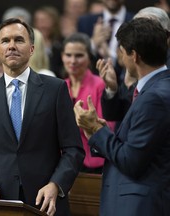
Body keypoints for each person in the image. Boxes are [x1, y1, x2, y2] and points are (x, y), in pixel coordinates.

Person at [0, 18, 85, 216]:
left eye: (19, 40)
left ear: (32, 48)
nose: (11, 46)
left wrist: (56, 184)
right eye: (5, 41)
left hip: (46, 203)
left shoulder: (56, 89)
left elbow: (73, 149)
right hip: (1, 203)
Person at [74, 18, 170, 216]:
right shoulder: (154, 88)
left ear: (134, 55)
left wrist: (96, 130)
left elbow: (130, 160)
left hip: (139, 207)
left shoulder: (155, 97)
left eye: (122, 50)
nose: (120, 57)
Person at [98, 6, 170, 122]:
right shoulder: (133, 55)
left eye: (146, 29)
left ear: (166, 35)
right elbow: (114, 114)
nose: (139, 35)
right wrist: (112, 89)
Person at [61, 32, 115, 173]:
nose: (73, 61)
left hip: (96, 163)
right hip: (67, 163)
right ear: (62, 56)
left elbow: (107, 125)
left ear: (89, 58)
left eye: (79, 55)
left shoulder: (100, 85)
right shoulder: (60, 86)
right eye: (68, 55)